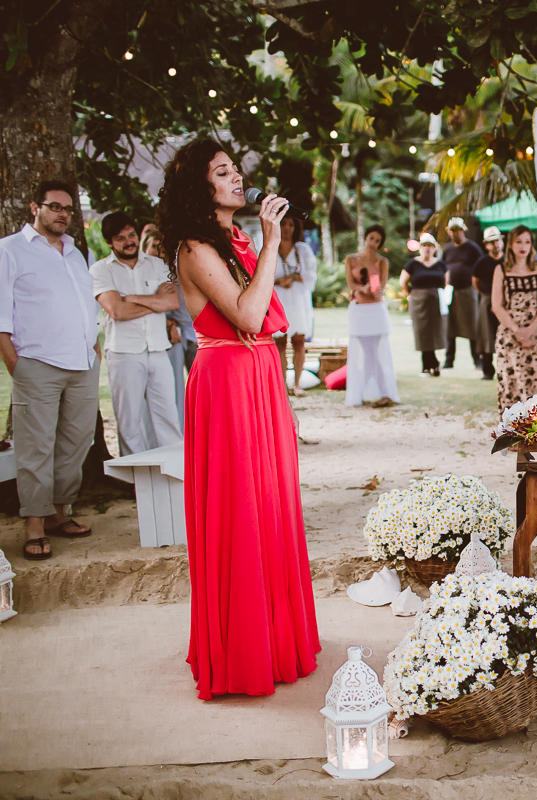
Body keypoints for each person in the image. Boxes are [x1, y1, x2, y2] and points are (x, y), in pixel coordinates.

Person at [157, 138, 319, 699]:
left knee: (271, 505)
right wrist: (274, 241)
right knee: (240, 513)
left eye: (235, 170)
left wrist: (262, 244)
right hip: (225, 382)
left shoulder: (234, 239)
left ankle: (274, 638)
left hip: (259, 378)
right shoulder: (197, 248)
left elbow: (264, 318)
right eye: (223, 172)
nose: (237, 178)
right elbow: (249, 313)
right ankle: (243, 648)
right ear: (200, 188)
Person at [0, 180, 101, 561]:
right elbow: (0, 315)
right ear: (34, 208)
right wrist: (16, 365)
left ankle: (61, 513)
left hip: (82, 363)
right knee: (35, 447)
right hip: (36, 364)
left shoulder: (75, 252)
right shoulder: (10, 250)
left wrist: (94, 347)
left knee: (76, 443)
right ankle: (35, 525)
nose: (62, 214)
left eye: (68, 209)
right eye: (54, 206)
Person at [91, 211, 183, 455]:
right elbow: (117, 311)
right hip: (123, 352)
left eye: (131, 234)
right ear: (109, 243)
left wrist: (131, 298)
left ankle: (175, 478)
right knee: (130, 422)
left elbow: (172, 302)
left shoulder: (157, 265)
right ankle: (136, 484)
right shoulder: (101, 270)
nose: (129, 241)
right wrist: (155, 301)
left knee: (168, 417)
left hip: (158, 349)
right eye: (120, 238)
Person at [491, 225, 537, 413]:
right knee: (513, 384)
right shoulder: (501, 269)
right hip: (510, 334)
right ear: (510, 244)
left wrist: (530, 330)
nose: (523, 246)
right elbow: (497, 305)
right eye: (519, 241)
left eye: (527, 242)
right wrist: (518, 332)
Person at [144, 228, 196, 429]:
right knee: (173, 389)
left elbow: (173, 302)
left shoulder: (176, 269)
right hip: (166, 336)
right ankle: (179, 429)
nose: (159, 252)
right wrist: (169, 324)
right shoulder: (147, 273)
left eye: (162, 248)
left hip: (190, 333)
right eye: (155, 248)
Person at [343, 225, 399, 407]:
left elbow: (381, 285)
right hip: (359, 310)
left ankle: (384, 392)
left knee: (376, 353)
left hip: (376, 310)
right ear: (366, 237)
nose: (374, 243)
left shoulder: (382, 262)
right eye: (372, 238)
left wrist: (376, 291)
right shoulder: (351, 259)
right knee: (364, 353)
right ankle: (365, 391)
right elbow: (350, 283)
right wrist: (362, 289)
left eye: (378, 241)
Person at [272, 215, 317, 397]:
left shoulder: (303, 250)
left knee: (299, 341)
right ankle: (282, 385)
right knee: (279, 342)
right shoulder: (270, 248)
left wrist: (293, 277)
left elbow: (312, 276)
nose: (287, 228)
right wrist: (279, 281)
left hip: (299, 301)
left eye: (291, 224)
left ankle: (297, 384)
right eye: (283, 224)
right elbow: (261, 276)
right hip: (279, 300)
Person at [399, 232, 448, 376]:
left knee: (434, 331)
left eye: (430, 246)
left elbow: (446, 282)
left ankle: (431, 363)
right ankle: (428, 364)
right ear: (420, 248)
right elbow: (403, 282)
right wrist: (413, 294)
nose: (427, 248)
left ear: (434, 248)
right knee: (422, 332)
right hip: (419, 301)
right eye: (424, 245)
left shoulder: (440, 264)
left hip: (436, 301)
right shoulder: (413, 264)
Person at [442, 217, 483, 370]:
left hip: (468, 291)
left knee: (472, 326)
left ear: (463, 230)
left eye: (457, 229)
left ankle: (477, 360)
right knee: (450, 327)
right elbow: (443, 267)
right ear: (448, 232)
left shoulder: (473, 248)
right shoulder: (447, 249)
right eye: (452, 230)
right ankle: (449, 360)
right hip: (452, 292)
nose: (455, 233)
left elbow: (480, 267)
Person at [473, 226, 505, 380]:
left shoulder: (508, 260)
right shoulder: (482, 262)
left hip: (505, 301)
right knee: (486, 334)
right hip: (487, 298)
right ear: (487, 245)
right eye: (492, 242)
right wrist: (486, 296)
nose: (496, 244)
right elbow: (476, 282)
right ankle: (487, 369)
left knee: (504, 333)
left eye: (498, 241)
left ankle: (504, 368)